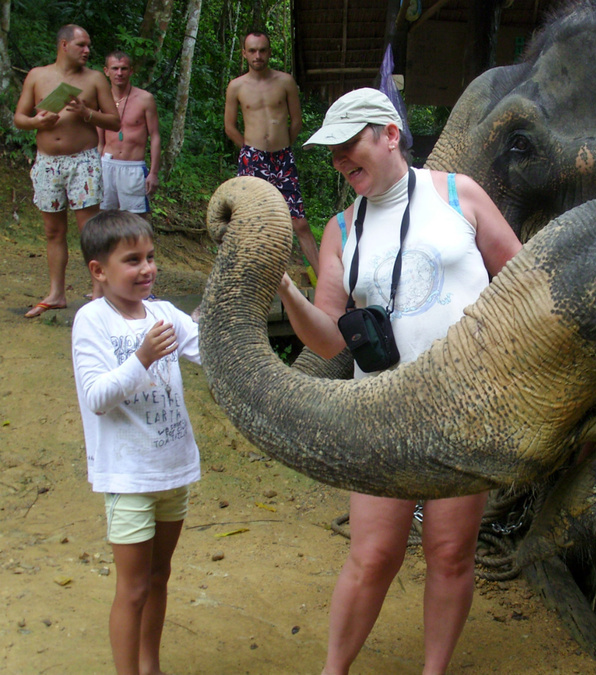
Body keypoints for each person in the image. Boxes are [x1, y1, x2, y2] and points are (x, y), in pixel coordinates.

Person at [276, 88, 522, 675]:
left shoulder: (459, 195)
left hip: (465, 409)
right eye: (330, 152)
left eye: (348, 145)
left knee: (449, 552)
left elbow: (522, 282)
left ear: (389, 133)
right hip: (381, 409)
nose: (338, 160)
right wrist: (284, 290)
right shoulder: (341, 228)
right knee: (372, 554)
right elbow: (329, 339)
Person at [72, 210, 201, 675]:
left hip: (173, 469)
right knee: (132, 589)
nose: (146, 269)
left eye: (150, 257)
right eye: (132, 260)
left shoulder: (164, 313)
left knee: (159, 576)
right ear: (98, 270)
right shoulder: (92, 321)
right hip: (128, 477)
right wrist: (143, 357)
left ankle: (150, 667)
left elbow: (207, 349)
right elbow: (97, 397)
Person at [14, 24, 120, 317]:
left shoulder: (96, 79)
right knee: (52, 230)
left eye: (89, 45)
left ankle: (99, 295)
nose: (87, 51)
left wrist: (88, 113)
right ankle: (56, 293)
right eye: (81, 45)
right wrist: (37, 123)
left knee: (89, 230)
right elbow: (20, 117)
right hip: (47, 162)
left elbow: (114, 121)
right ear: (63, 46)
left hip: (82, 161)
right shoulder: (38, 75)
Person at [224, 30, 320, 277]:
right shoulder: (236, 86)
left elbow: (296, 121)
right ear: (244, 53)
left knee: (299, 222)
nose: (258, 55)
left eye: (262, 50)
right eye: (252, 50)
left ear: (269, 52)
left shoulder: (285, 81)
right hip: (252, 159)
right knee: (252, 222)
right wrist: (248, 150)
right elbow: (230, 127)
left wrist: (283, 145)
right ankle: (252, 280)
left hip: (282, 158)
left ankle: (324, 278)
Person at [99, 50, 161, 221]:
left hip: (133, 167)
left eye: (124, 69)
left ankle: (138, 248)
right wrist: (95, 169)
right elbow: (99, 140)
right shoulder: (102, 99)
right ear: (106, 71)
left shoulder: (145, 99)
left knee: (136, 221)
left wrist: (153, 173)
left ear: (131, 71)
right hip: (107, 164)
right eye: (115, 68)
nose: (119, 73)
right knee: (104, 218)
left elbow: (155, 136)